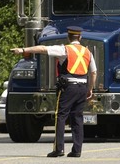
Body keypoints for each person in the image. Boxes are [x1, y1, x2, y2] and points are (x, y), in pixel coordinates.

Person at [11, 26, 97, 158]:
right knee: (77, 118)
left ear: (69, 37)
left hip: (68, 87)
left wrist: (23, 50)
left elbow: (42, 49)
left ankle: (59, 148)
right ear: (80, 37)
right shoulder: (87, 52)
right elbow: (93, 72)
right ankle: (77, 150)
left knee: (61, 116)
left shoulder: (64, 49)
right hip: (82, 87)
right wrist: (90, 89)